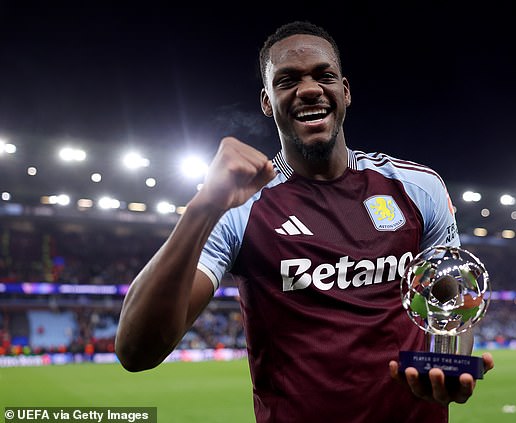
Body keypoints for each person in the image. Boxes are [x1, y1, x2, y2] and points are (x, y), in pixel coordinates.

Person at [115, 20, 494, 422]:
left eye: (324, 75)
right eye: (287, 80)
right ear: (267, 102)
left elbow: (452, 307)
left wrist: (446, 366)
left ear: (345, 92)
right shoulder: (240, 204)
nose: (310, 88)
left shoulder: (418, 187)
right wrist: (202, 208)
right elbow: (136, 352)